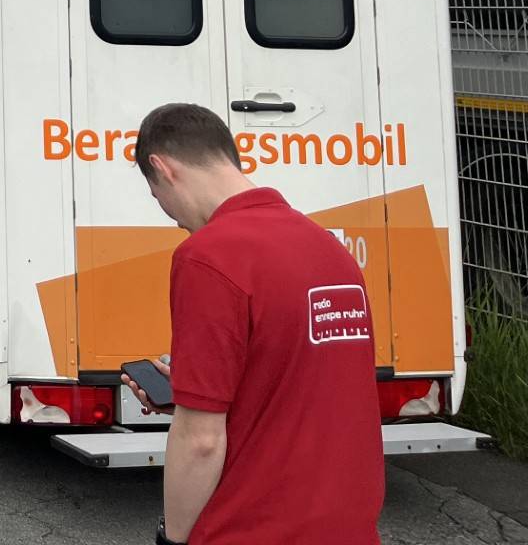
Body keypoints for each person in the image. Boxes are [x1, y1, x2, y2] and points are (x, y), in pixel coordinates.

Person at [120, 103, 382, 545]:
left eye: (156, 197)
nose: (171, 217)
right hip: (347, 527)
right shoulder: (328, 249)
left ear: (161, 168)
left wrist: (174, 538)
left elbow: (201, 441)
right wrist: (191, 395)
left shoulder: (207, 256)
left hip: (250, 528)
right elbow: (303, 389)